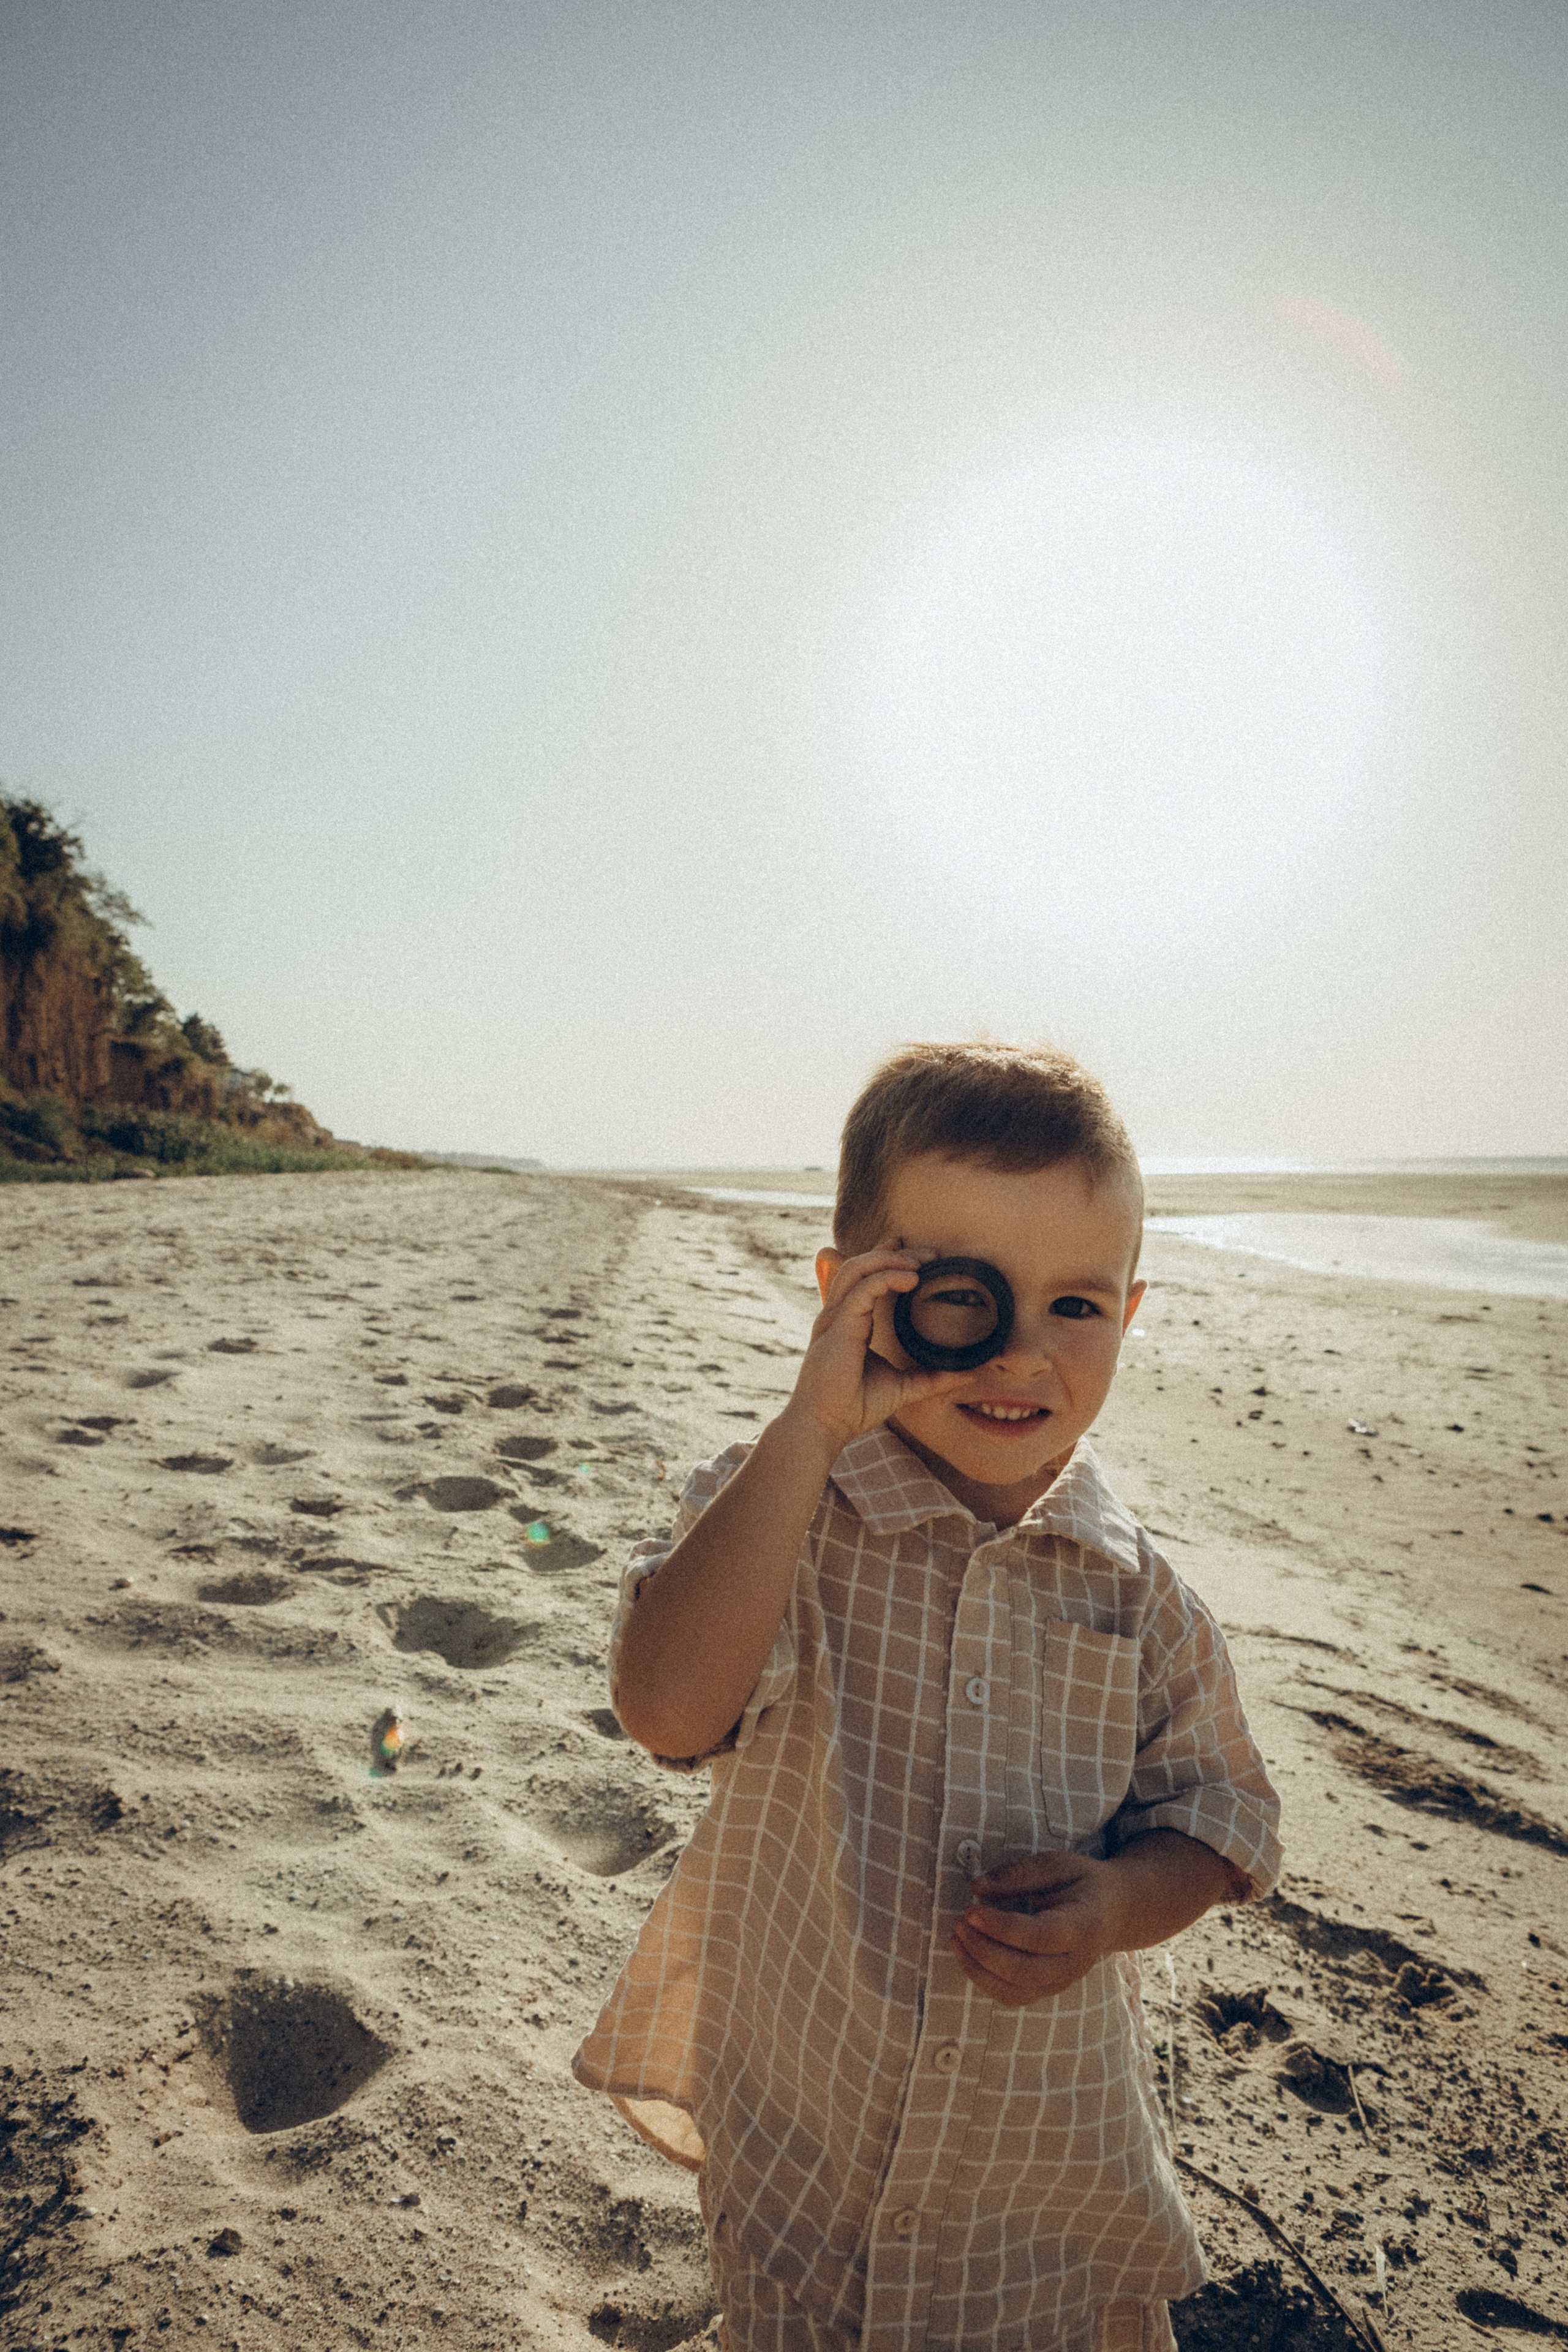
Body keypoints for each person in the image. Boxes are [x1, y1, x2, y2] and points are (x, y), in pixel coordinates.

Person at [573, 1042, 1281, 2352]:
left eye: (1073, 1305)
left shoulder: (1137, 1597)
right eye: (966, 1293)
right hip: (805, 2138)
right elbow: (667, 1711)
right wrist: (806, 1429)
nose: (1018, 1352)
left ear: (1128, 1316)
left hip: (1038, 2172)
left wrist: (1124, 1900)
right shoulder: (780, 1514)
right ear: (855, 1296)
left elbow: (1224, 1817)